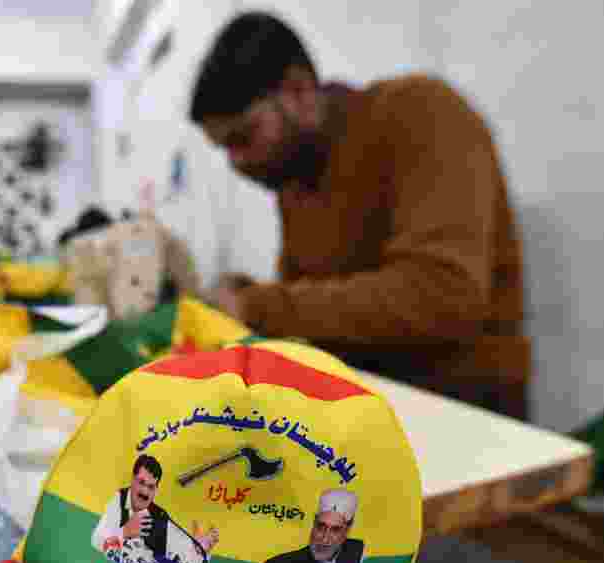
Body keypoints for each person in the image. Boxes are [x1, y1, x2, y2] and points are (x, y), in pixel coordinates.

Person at [189, 11, 529, 421]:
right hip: (371, 408)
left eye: (244, 137)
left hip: (468, 415)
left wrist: (256, 306)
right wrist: (241, 296)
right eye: (224, 149)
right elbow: (311, 302)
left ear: (298, 91)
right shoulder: (295, 178)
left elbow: (443, 295)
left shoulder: (422, 113)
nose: (237, 163)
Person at [91, 454, 219, 563]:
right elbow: (97, 540)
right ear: (132, 480)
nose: (145, 491)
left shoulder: (160, 517)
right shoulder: (119, 500)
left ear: (156, 490)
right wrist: (124, 532)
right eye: (141, 483)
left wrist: (198, 552)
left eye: (151, 487)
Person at [239, 489, 363, 563]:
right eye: (321, 526)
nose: (325, 538)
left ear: (347, 530)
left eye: (335, 530)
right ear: (314, 523)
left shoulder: (361, 557)